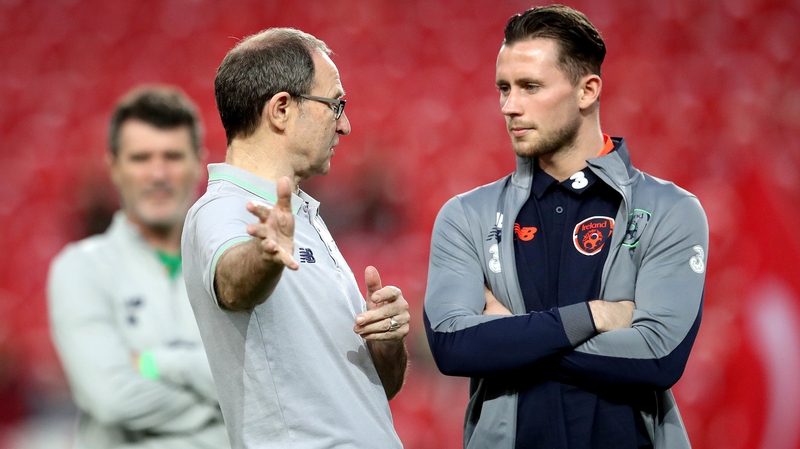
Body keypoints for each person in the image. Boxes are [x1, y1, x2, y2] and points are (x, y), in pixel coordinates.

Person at [423, 5, 708, 449]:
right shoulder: (466, 216)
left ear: (587, 90)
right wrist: (591, 317)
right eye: (503, 88)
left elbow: (658, 357)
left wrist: (513, 336)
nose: (509, 106)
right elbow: (451, 346)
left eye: (530, 87)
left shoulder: (670, 209)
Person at [181, 28, 410, 448]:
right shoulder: (221, 210)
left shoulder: (302, 214)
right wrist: (266, 255)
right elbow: (234, 285)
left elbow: (376, 391)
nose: (346, 125)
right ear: (281, 109)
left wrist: (387, 340)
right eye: (335, 104)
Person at [47, 87, 230, 448]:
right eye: (141, 158)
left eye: (173, 156)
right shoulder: (80, 269)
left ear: (199, 162)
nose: (158, 174)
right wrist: (225, 409)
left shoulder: (236, 264)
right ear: (114, 167)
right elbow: (112, 398)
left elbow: (268, 381)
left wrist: (155, 363)